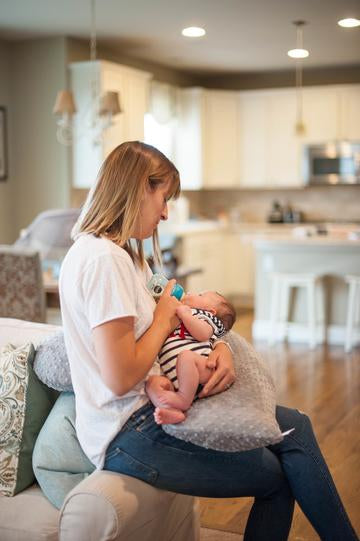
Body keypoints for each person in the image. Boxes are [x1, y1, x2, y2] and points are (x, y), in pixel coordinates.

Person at [59, 141, 358, 541]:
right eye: (164, 198)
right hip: (128, 433)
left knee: (296, 426)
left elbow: (182, 314)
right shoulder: (100, 260)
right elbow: (119, 377)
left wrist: (219, 346)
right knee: (278, 478)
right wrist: (165, 314)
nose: (166, 213)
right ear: (136, 189)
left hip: (156, 408)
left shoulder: (129, 257)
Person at [146, 290, 236, 424]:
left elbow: (203, 334)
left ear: (211, 312)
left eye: (200, 295)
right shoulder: (185, 313)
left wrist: (185, 315)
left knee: (186, 357)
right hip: (178, 377)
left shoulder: (204, 317)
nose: (191, 292)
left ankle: (183, 400)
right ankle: (171, 409)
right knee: (152, 383)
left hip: (201, 368)